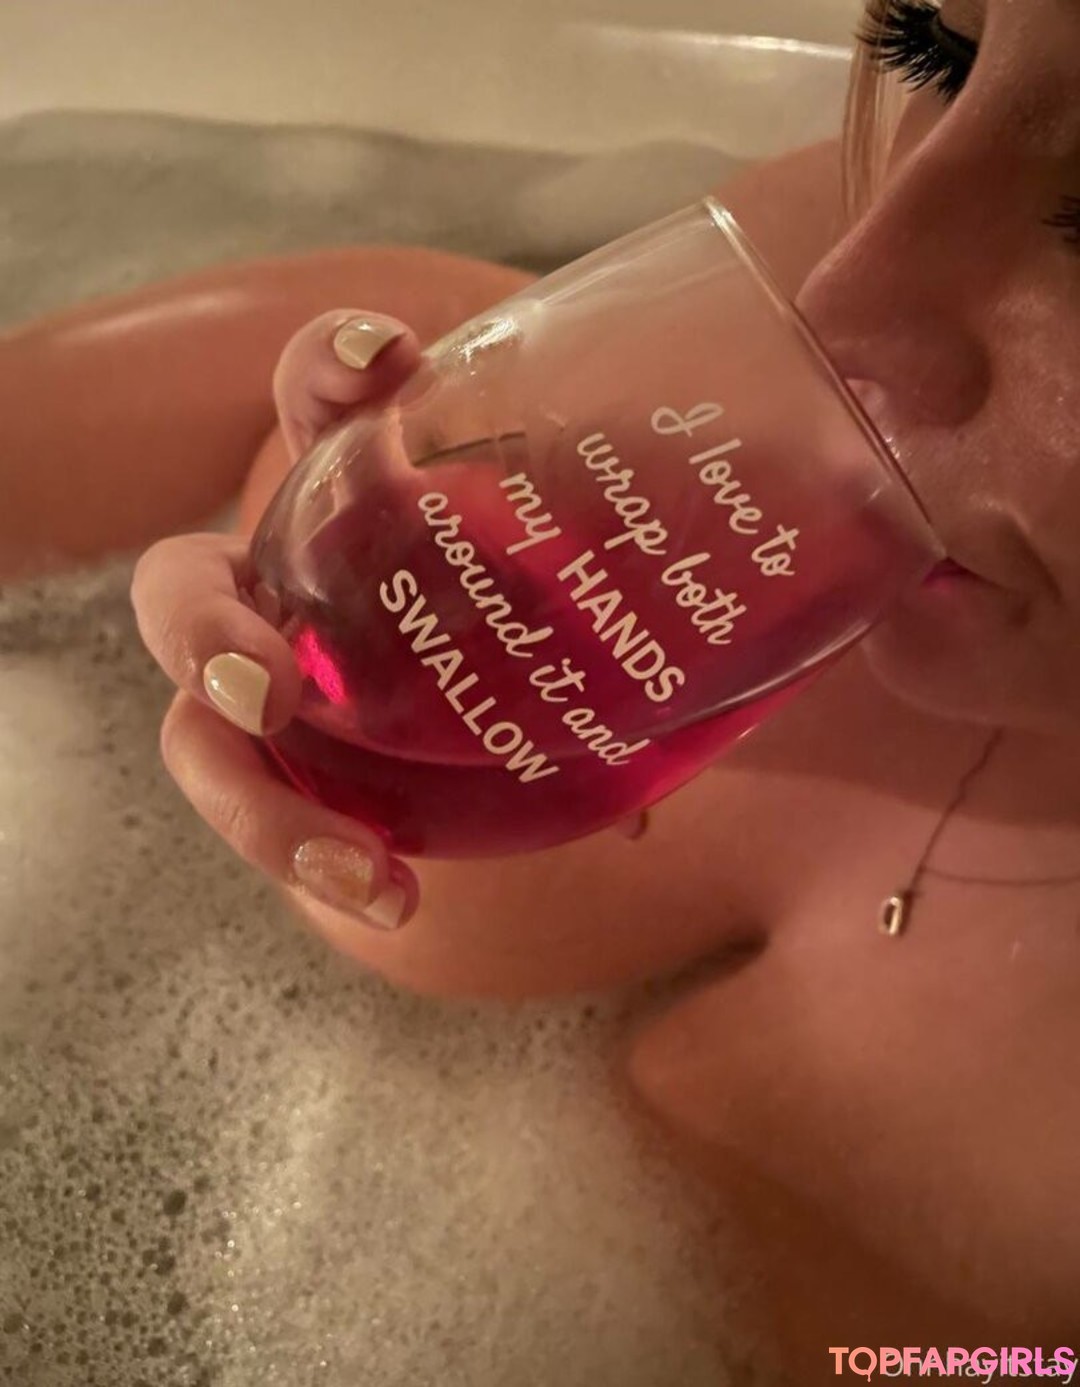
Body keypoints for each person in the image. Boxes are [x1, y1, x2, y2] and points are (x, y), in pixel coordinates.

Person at [5, 0, 1079, 1374]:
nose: (843, 294)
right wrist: (346, 453)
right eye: (939, 49)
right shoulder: (870, 259)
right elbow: (428, 342)